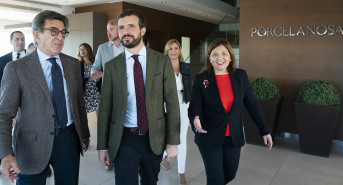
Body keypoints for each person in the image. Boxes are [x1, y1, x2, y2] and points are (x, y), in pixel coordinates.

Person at [0, 10, 90, 185]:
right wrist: (5, 153)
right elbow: (4, 115)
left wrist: (84, 134)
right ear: (37, 34)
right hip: (30, 145)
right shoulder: (16, 69)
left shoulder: (72, 65)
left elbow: (79, 103)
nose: (60, 37)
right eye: (53, 31)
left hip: (68, 139)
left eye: (63, 32)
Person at [97, 9, 180, 185]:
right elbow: (105, 109)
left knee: (150, 181)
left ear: (142, 30)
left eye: (131, 26)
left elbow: (172, 103)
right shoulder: (111, 66)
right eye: (121, 27)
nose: (125, 31)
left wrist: (173, 141)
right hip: (124, 137)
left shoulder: (161, 61)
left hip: (154, 136)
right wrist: (103, 146)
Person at [188, 38, 273, 185]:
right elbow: (195, 105)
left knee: (230, 174)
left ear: (230, 57)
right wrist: (195, 118)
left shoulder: (240, 76)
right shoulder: (202, 79)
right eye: (215, 54)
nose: (220, 58)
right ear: (209, 58)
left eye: (224, 53)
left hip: (233, 137)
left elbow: (252, 105)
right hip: (209, 136)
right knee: (215, 179)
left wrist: (264, 130)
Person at [161, 39, 191, 185]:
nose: (173, 51)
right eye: (170, 48)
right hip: (166, 106)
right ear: (167, 51)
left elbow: (189, 88)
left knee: (182, 138)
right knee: (167, 135)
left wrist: (190, 109)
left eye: (176, 48)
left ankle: (181, 172)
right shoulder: (162, 66)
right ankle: (166, 156)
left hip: (183, 105)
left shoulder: (186, 67)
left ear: (179, 50)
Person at [77, 43, 101, 116]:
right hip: (85, 91)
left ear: (88, 50)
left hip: (96, 89)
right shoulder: (78, 63)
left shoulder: (95, 63)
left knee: (99, 110)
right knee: (86, 112)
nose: (82, 51)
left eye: (84, 49)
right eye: (80, 49)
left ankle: (99, 126)